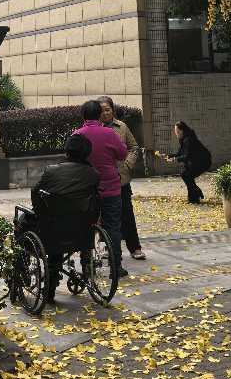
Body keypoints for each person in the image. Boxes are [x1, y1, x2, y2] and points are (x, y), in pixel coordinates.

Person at [31, 134, 101, 304]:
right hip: (83, 229)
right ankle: (87, 266)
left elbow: (35, 192)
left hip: (54, 228)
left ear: (67, 151)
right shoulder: (93, 174)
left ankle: (49, 290)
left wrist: (40, 212)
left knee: (33, 222)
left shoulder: (51, 171)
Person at [74, 99, 128, 275]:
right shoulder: (110, 133)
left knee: (86, 227)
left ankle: (87, 266)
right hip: (111, 188)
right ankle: (116, 267)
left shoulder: (77, 135)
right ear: (99, 115)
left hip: (86, 191)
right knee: (113, 227)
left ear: (83, 116)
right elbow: (122, 154)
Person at [98, 96, 145, 261]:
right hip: (103, 180)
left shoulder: (122, 127)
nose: (105, 113)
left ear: (112, 110)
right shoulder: (96, 129)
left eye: (108, 109)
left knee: (127, 214)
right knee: (105, 216)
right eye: (101, 110)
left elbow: (134, 147)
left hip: (121, 179)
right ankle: (107, 247)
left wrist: (128, 164)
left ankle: (135, 247)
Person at [169, 121, 212, 204]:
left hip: (203, 162)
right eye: (175, 132)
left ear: (182, 131)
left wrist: (175, 159)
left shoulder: (189, 139)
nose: (176, 134)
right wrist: (169, 156)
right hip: (195, 161)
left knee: (186, 175)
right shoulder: (183, 139)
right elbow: (180, 153)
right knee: (186, 175)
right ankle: (194, 196)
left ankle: (194, 197)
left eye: (177, 131)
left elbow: (187, 155)